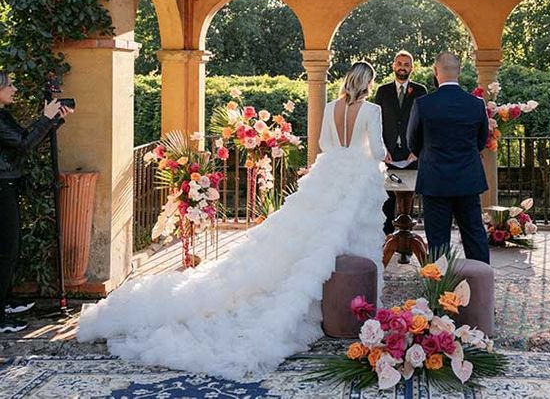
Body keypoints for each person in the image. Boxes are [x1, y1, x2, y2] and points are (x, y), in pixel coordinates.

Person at [78, 61, 387, 381]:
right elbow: (377, 151)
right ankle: (350, 306)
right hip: (356, 180)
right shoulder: (372, 110)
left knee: (309, 237)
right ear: (368, 83)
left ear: (348, 80)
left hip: (328, 174)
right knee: (343, 240)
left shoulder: (331, 107)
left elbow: (324, 145)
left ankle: (327, 300)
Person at [0, 71, 71, 333]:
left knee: (9, 249)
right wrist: (45, 118)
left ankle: (5, 301)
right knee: (6, 250)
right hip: (1, 187)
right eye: (10, 85)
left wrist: (54, 121)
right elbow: (23, 144)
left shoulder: (3, 114)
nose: (14, 89)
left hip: (8, 184)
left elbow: (28, 140)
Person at [406, 52, 490, 263]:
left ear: (436, 72)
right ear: (459, 71)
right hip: (468, 179)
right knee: (474, 234)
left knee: (438, 240)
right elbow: (481, 140)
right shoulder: (476, 104)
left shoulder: (423, 104)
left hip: (435, 180)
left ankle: (441, 287)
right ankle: (480, 285)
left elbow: (412, 142)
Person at [373, 50, 427, 236]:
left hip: (411, 155)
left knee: (407, 203)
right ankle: (385, 241)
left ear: (411, 68)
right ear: (393, 66)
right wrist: (382, 149)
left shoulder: (420, 91)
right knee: (387, 202)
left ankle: (405, 246)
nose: (402, 67)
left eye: (406, 64)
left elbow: (423, 124)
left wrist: (417, 150)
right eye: (399, 63)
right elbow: (376, 122)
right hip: (387, 155)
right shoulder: (382, 91)